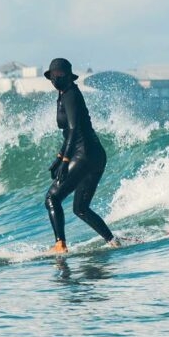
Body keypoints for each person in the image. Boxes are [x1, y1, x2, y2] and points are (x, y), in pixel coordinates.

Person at [42, 57, 119, 254]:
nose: (56, 78)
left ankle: (60, 244)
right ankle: (113, 241)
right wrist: (59, 157)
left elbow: (75, 130)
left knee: (52, 198)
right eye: (53, 75)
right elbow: (70, 133)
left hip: (83, 155)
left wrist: (66, 160)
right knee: (81, 208)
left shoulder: (70, 95)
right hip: (94, 155)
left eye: (60, 75)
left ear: (68, 76)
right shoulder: (65, 94)